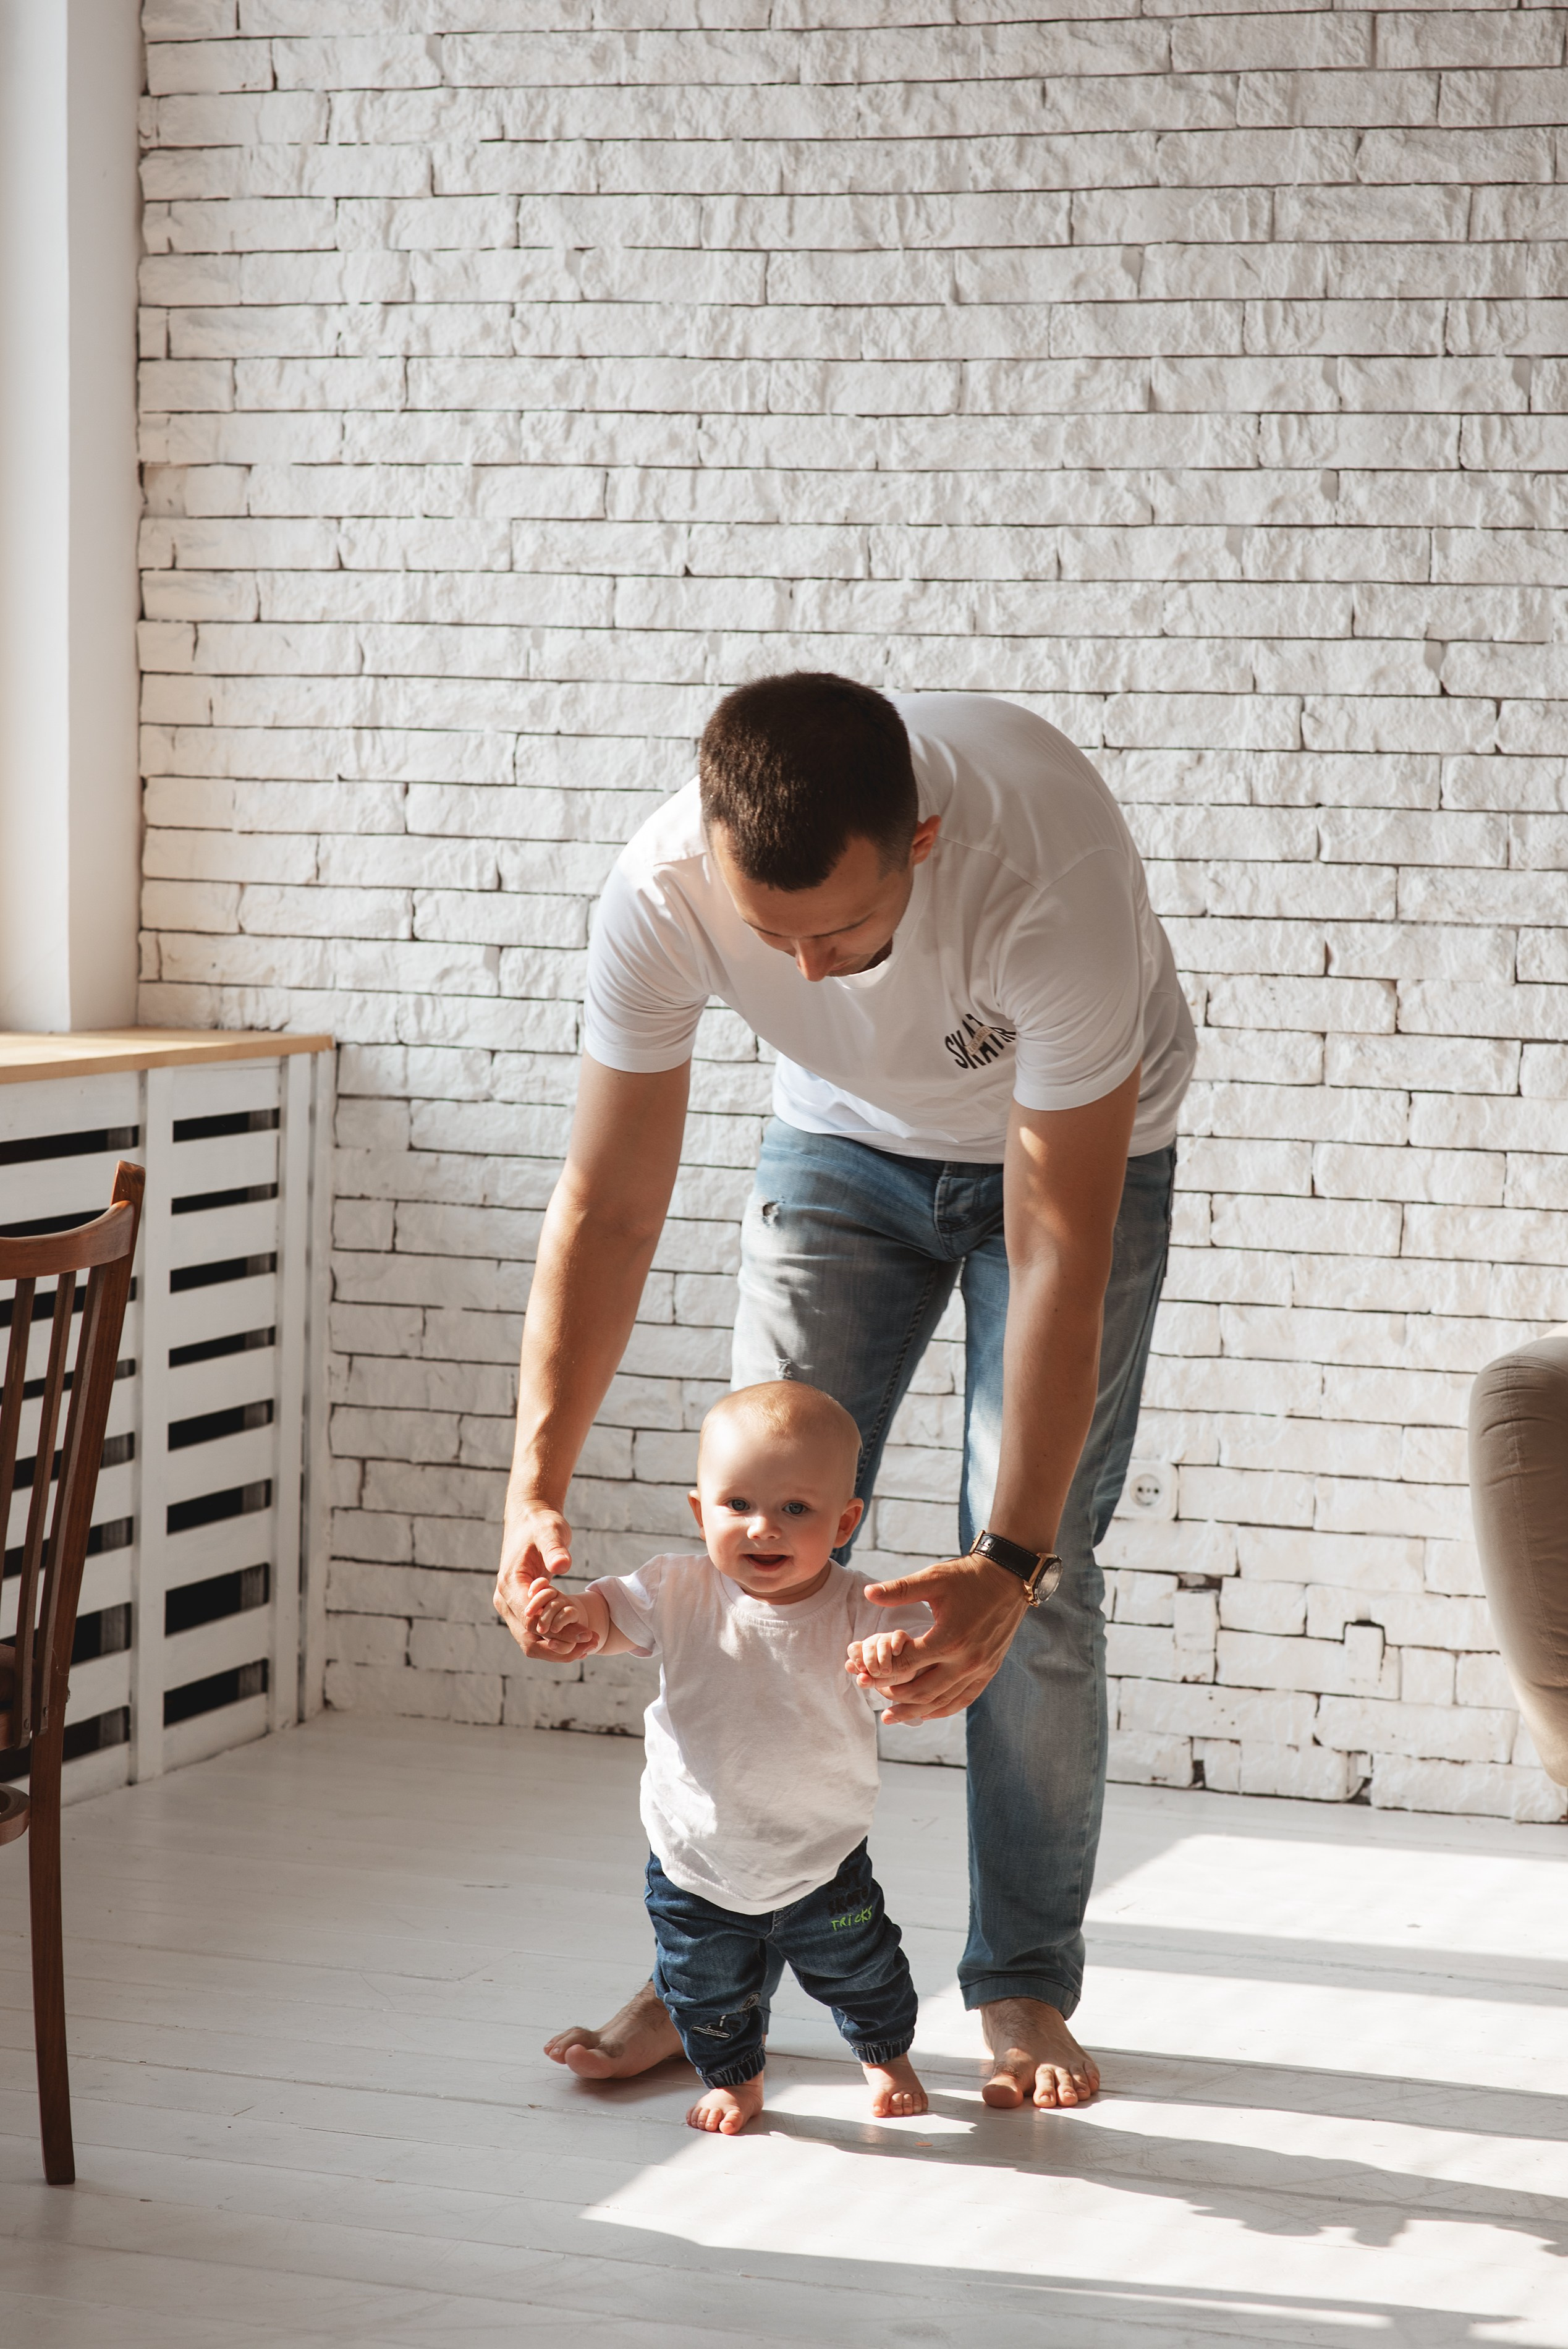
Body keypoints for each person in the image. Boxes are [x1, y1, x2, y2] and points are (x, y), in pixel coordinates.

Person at [494, 674, 1196, 2111]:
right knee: (761, 1555)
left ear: (923, 840)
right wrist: (533, 1480)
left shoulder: (1042, 870)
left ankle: (1018, 1982)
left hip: (1071, 1157)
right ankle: (707, 1980)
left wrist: (1002, 1557)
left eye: (840, 932)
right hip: (836, 1150)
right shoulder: (660, 885)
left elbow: (1056, 1246)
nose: (806, 973)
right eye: (773, 936)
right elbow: (608, 1203)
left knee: (1040, 1586)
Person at [515, 1379, 933, 2134]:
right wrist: (573, 1615)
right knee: (702, 1989)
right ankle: (737, 2077)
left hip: (821, 1857)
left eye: (795, 1510)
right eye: (737, 1504)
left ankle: (885, 2054)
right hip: (695, 1858)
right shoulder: (675, 1586)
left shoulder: (858, 1604)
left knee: (863, 1970)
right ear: (700, 1509)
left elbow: (918, 1652)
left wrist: (894, 1656)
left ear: (843, 1521)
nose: (762, 1528)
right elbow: (609, 1618)